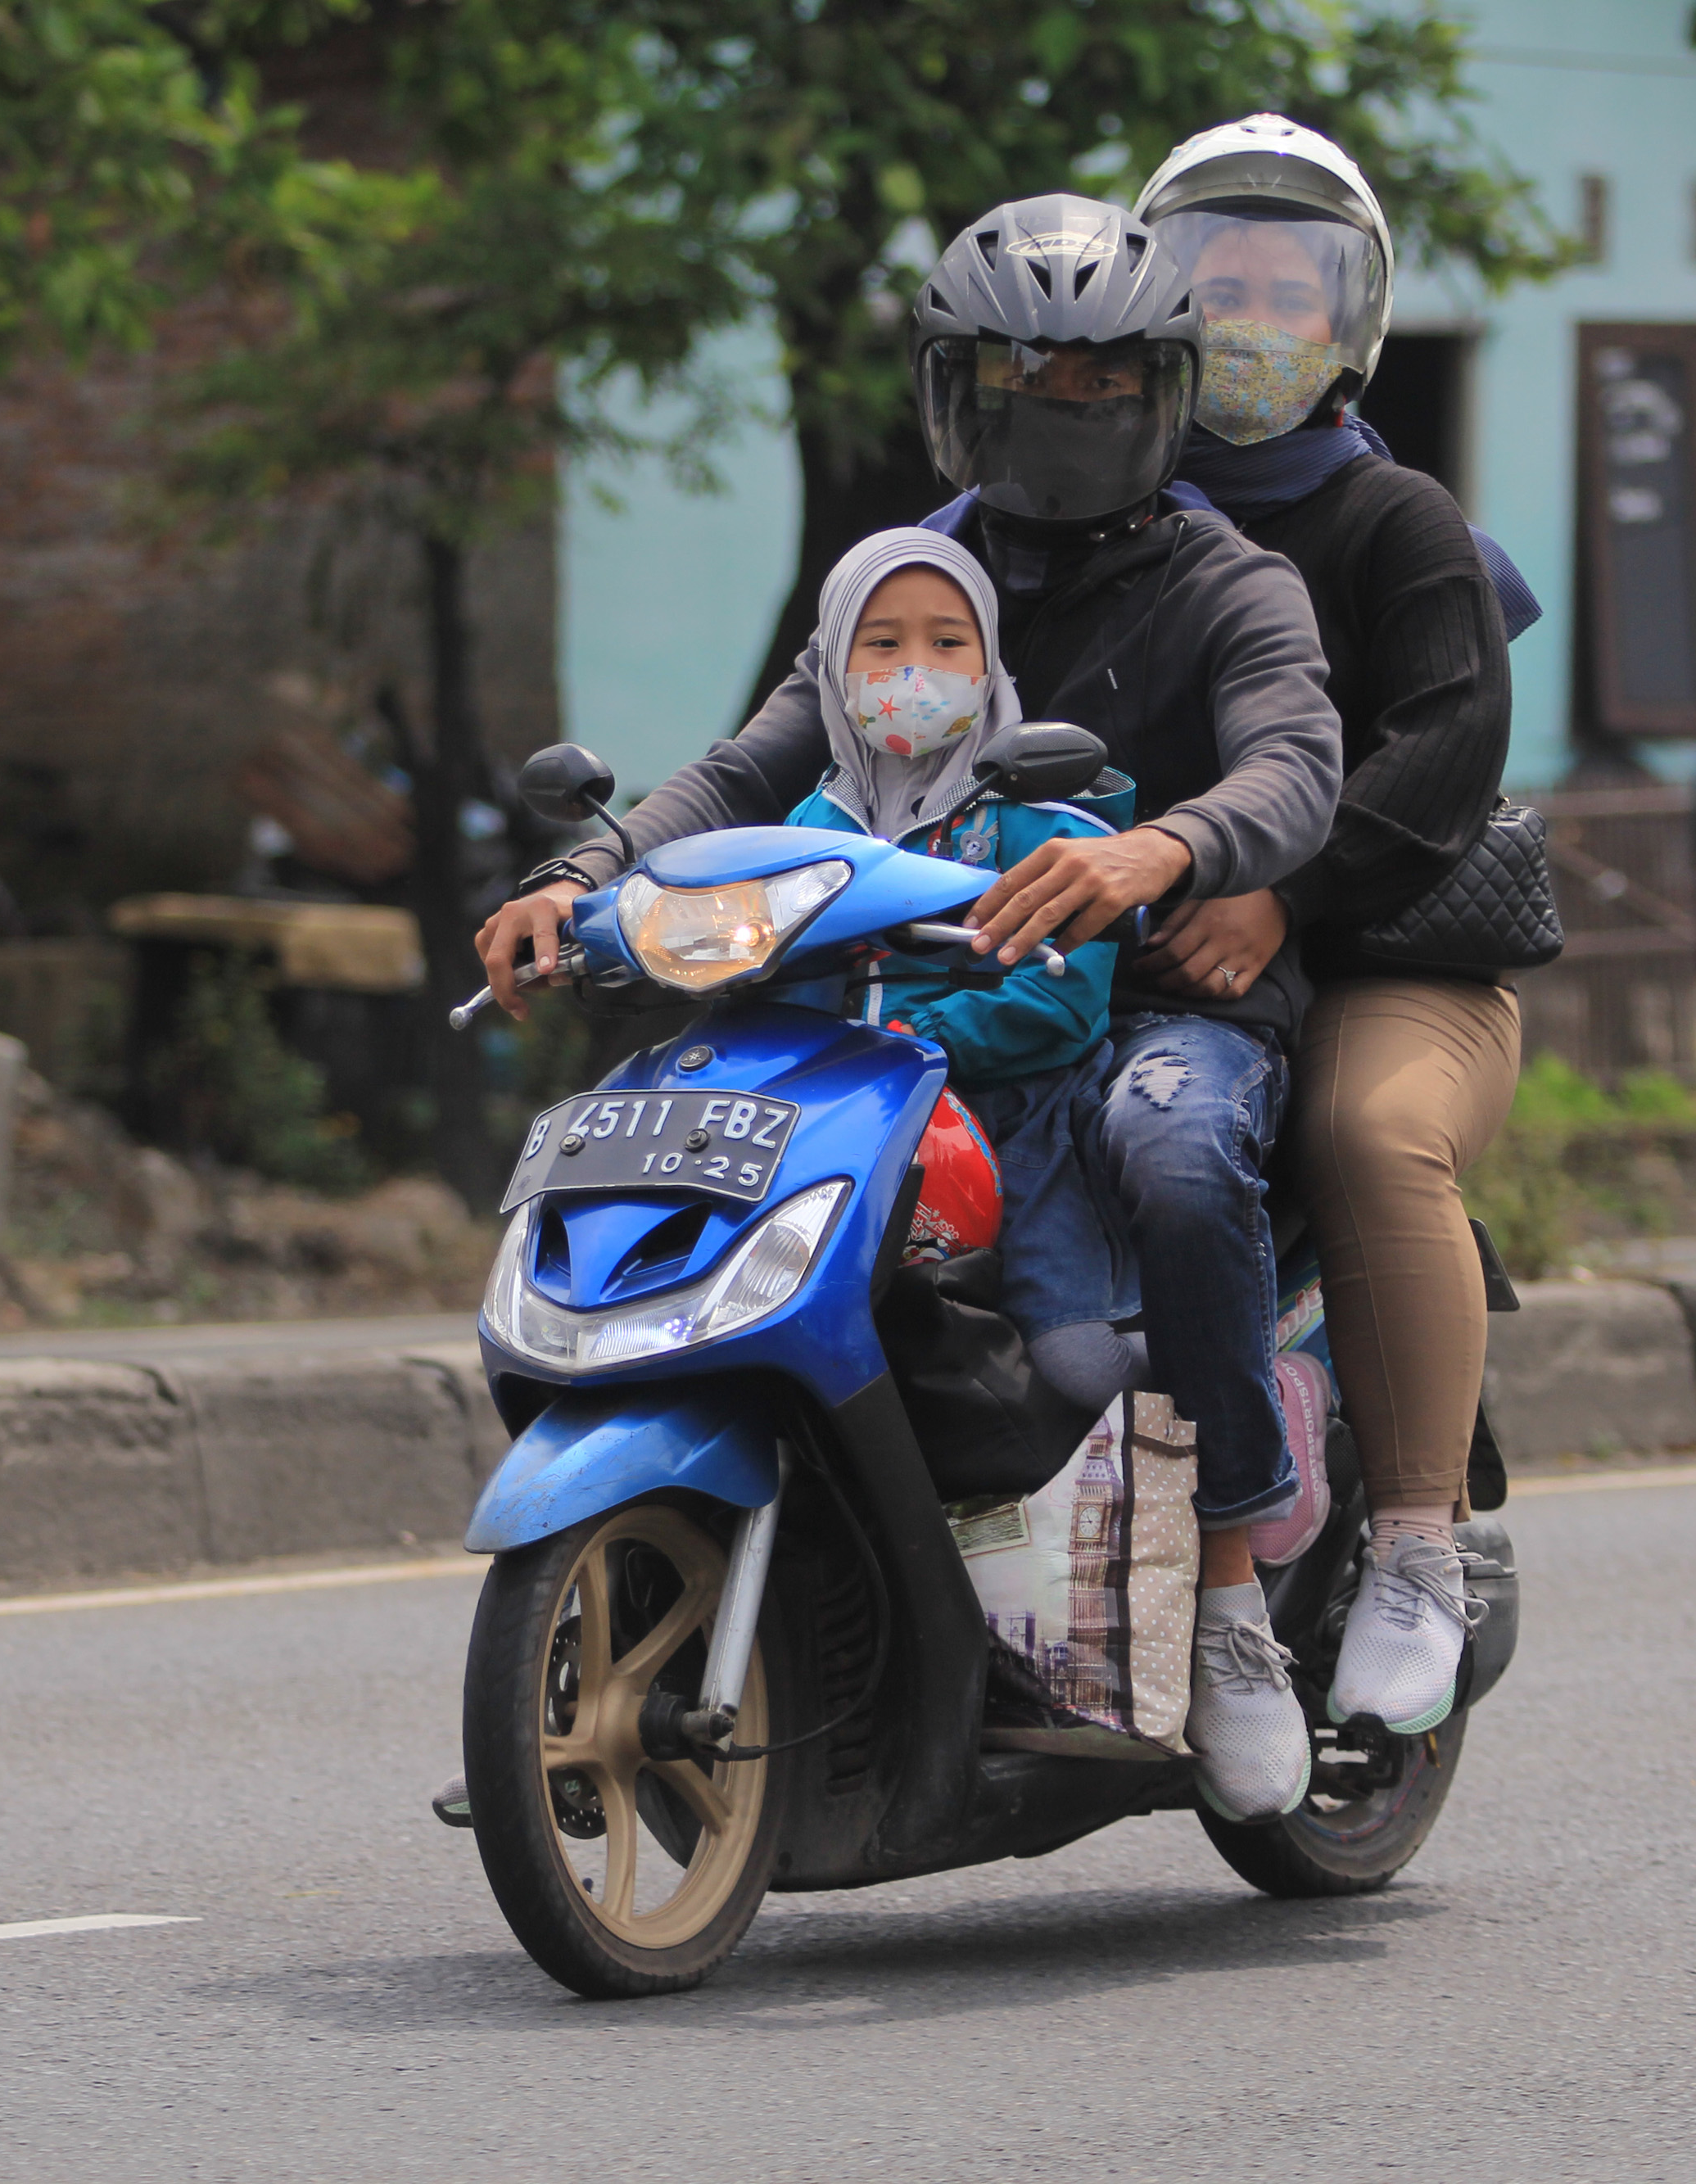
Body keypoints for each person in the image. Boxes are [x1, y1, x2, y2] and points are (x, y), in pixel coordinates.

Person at [479, 194, 1342, 1820]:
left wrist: (1164, 846)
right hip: (918, 1008)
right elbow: (748, 767)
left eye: (1098, 388)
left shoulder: (1236, 586)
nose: (1060, 419)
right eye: (1022, 384)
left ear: (1161, 394)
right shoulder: (911, 578)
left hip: (1160, 1006)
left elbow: (1296, 762)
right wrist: (584, 870)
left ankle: (1226, 1591)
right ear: (959, 392)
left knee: (1165, 1156)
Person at [1128, 113, 1530, 1736]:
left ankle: (1418, 1544)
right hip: (1140, 945)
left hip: (1381, 956)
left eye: (1283, 286)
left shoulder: (1396, 525)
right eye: (1210, 278)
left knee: (1366, 1135)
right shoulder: (1087, 510)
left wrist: (1277, 890)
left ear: (1345, 319)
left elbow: (1441, 762)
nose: (1244, 316)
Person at [781, 527, 1139, 1381]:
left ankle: (1207, 1461)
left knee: (1074, 1365)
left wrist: (906, 1029)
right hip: (848, 1140)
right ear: (833, 661)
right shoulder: (808, 826)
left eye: (946, 642)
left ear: (988, 663)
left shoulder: (1047, 813)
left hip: (1019, 1128)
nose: (914, 672)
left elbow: (1061, 1001)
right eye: (881, 643)